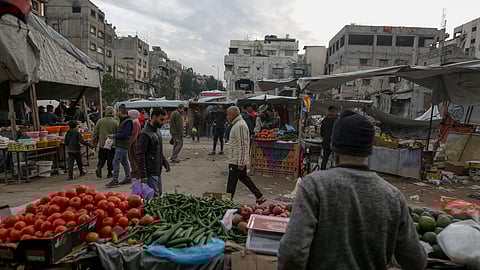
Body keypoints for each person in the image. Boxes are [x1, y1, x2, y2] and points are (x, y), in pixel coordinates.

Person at [278, 109, 427, 270]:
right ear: (369, 150)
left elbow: (292, 253)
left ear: (334, 148)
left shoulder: (315, 186)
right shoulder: (392, 196)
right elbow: (415, 260)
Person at [225, 106, 266, 204]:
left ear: (233, 115)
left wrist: (241, 162)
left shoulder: (240, 126)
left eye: (228, 115)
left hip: (237, 160)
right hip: (236, 158)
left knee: (231, 183)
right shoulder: (237, 124)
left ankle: (226, 202)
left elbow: (243, 145)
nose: (227, 117)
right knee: (244, 178)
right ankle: (259, 196)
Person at [136, 108, 171, 197]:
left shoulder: (157, 132)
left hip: (157, 170)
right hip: (150, 172)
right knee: (154, 198)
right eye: (161, 119)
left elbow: (158, 150)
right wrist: (143, 175)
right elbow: (140, 155)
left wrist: (164, 162)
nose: (163, 122)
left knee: (158, 194)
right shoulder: (144, 134)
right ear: (154, 117)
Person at [105, 104, 133, 187]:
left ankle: (115, 180)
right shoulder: (123, 120)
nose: (116, 113)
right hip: (121, 144)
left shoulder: (127, 121)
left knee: (115, 161)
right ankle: (128, 177)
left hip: (122, 144)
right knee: (124, 162)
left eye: (117, 111)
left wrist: (114, 135)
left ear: (121, 111)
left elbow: (125, 134)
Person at [93, 106, 118, 179]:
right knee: (110, 158)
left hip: (102, 143)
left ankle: (99, 167)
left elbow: (95, 132)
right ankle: (109, 173)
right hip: (112, 144)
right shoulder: (115, 122)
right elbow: (118, 132)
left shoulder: (100, 121)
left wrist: (94, 141)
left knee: (102, 157)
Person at [320, 106, 338, 170]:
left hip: (326, 142)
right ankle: (333, 171)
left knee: (325, 158)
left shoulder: (324, 120)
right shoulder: (338, 121)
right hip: (335, 142)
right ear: (334, 112)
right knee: (335, 159)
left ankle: (322, 170)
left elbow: (321, 133)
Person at [128, 109, 142, 181]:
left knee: (134, 157)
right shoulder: (135, 122)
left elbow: (134, 134)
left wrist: (130, 143)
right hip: (135, 142)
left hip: (135, 143)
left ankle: (137, 171)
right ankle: (134, 171)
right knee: (132, 157)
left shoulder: (135, 123)